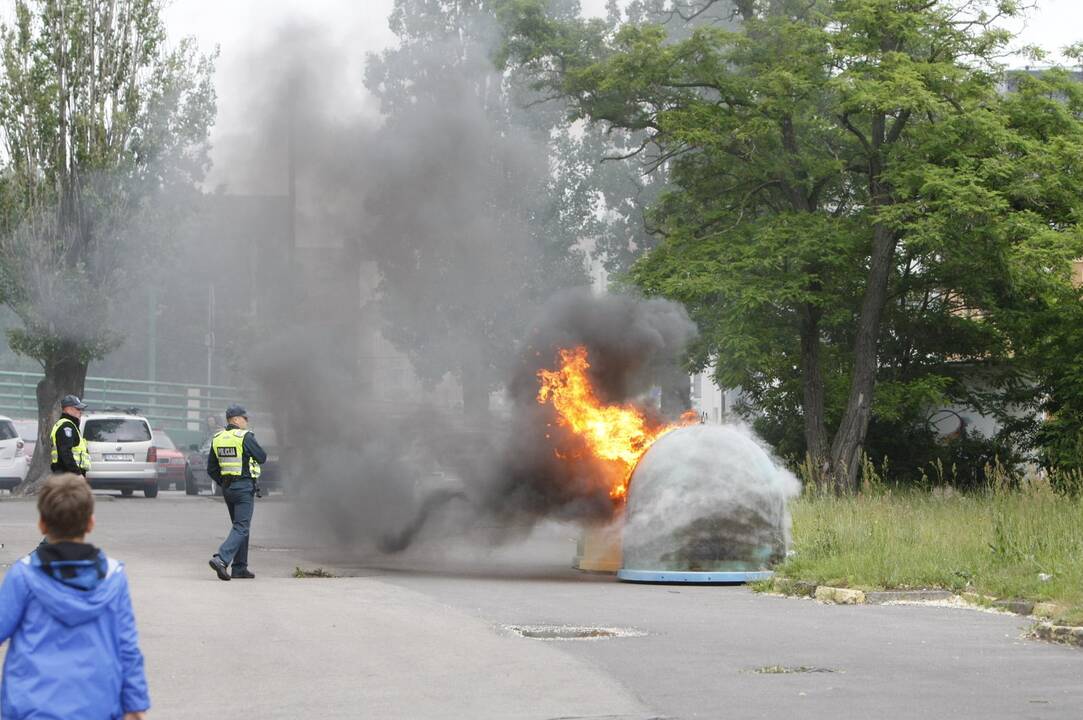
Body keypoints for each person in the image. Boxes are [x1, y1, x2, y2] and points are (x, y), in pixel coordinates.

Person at [0, 474, 150, 720]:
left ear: (42, 525)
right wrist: (135, 704)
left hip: (32, 708)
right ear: (90, 523)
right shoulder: (113, 578)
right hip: (97, 707)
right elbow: (127, 647)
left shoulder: (23, 576)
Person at [207, 405, 266, 581]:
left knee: (240, 527)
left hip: (227, 489)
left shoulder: (217, 438)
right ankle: (222, 558)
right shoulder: (244, 437)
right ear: (235, 419)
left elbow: (211, 468)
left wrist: (224, 481)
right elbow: (262, 457)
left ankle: (240, 568)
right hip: (243, 488)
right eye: (244, 418)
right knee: (242, 526)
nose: (247, 421)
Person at [51, 394, 91, 476]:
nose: (80, 412)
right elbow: (65, 453)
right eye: (78, 409)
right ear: (68, 409)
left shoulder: (69, 425)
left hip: (66, 474)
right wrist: (77, 474)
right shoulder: (67, 427)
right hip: (69, 476)